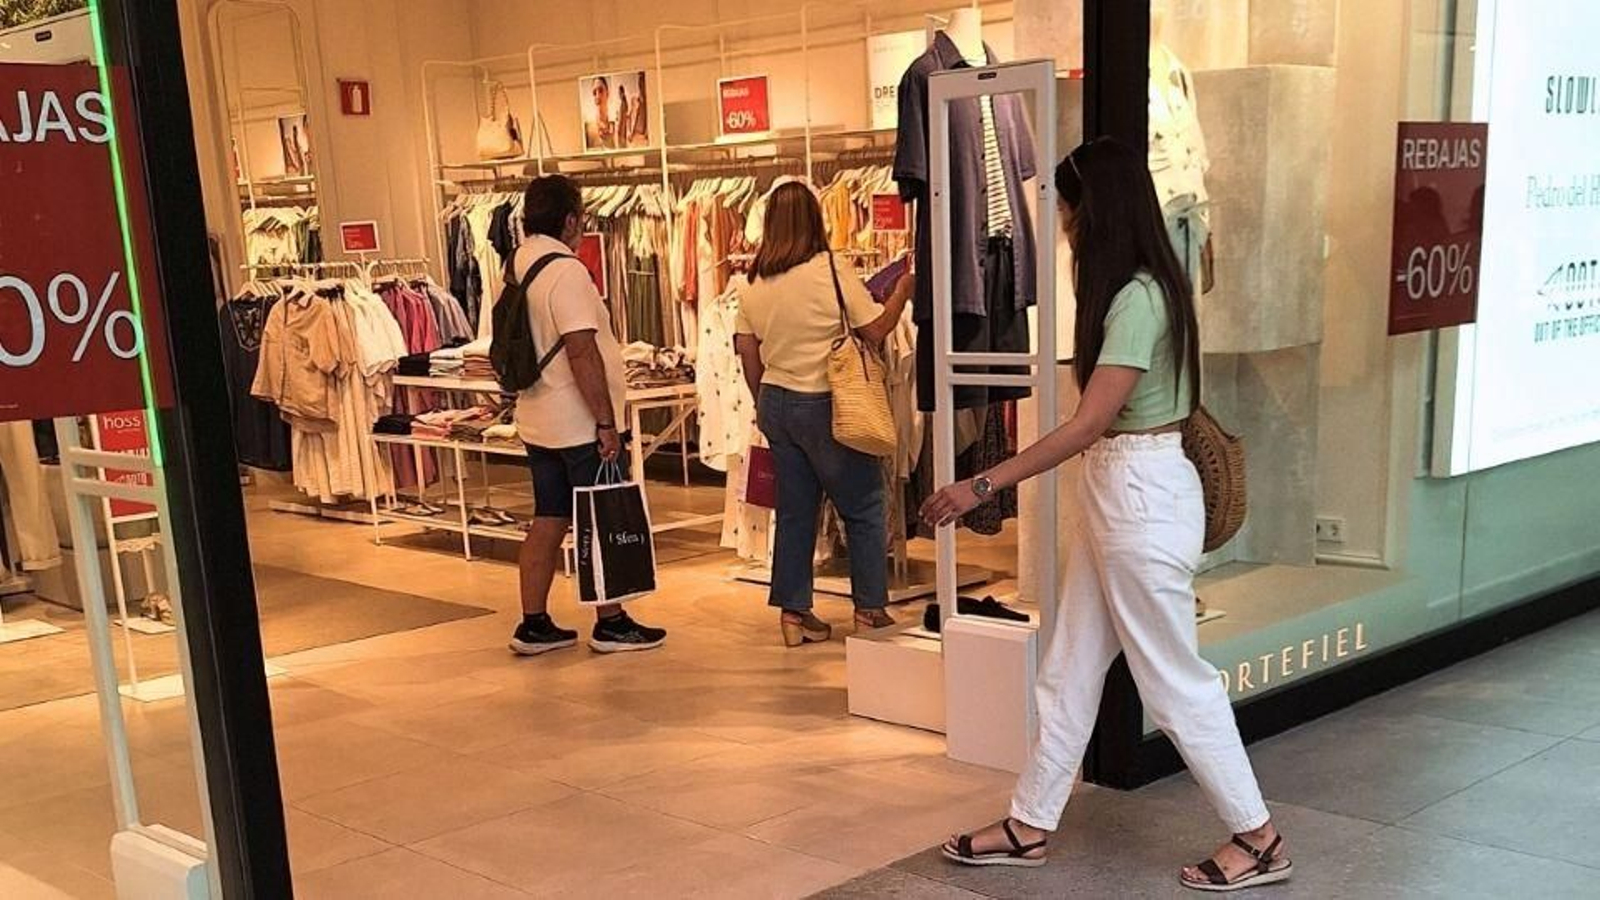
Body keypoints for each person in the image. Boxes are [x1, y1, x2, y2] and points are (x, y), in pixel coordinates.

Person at [922, 139, 1292, 892]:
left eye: (1065, 208)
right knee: (1070, 667)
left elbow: (1089, 423)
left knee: (1172, 679)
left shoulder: (1135, 298)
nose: (1061, 225)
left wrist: (979, 485)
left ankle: (1259, 838)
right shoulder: (1153, 287)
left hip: (1138, 495)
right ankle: (1029, 825)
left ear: (1094, 211)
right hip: (1127, 492)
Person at [733, 182, 913, 647]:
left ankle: (794, 615)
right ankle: (870, 609)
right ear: (815, 219)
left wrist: (763, 401)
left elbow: (746, 351)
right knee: (865, 505)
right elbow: (875, 328)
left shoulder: (752, 280)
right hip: (826, 400)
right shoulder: (830, 269)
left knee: (795, 512)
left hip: (776, 399)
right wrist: (903, 292)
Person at [507, 175, 667, 656]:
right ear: (572, 218)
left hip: (537, 416)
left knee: (549, 516)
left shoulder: (517, 263)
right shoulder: (567, 271)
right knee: (602, 516)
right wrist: (605, 421)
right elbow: (582, 350)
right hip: (577, 422)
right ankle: (611, 621)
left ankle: (532, 623)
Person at [584, 76, 614, 150]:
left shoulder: (614, 124)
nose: (597, 96)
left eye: (601, 91)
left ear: (607, 93)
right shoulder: (588, 129)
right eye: (594, 93)